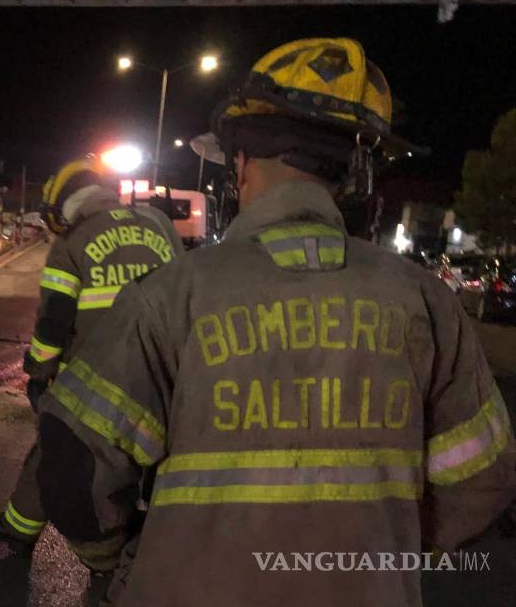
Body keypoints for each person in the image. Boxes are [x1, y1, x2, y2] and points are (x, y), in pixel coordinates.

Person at [35, 38, 516, 607]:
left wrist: (120, 561)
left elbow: (72, 464)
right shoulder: (427, 302)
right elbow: (484, 477)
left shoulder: (171, 297)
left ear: (239, 164)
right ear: (353, 174)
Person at [0, 158, 183, 573]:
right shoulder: (159, 224)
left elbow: (54, 321)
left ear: (62, 208)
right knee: (165, 469)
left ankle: (37, 538)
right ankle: (159, 547)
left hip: (98, 382)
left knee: (55, 451)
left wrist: (37, 371)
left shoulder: (73, 241)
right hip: (167, 372)